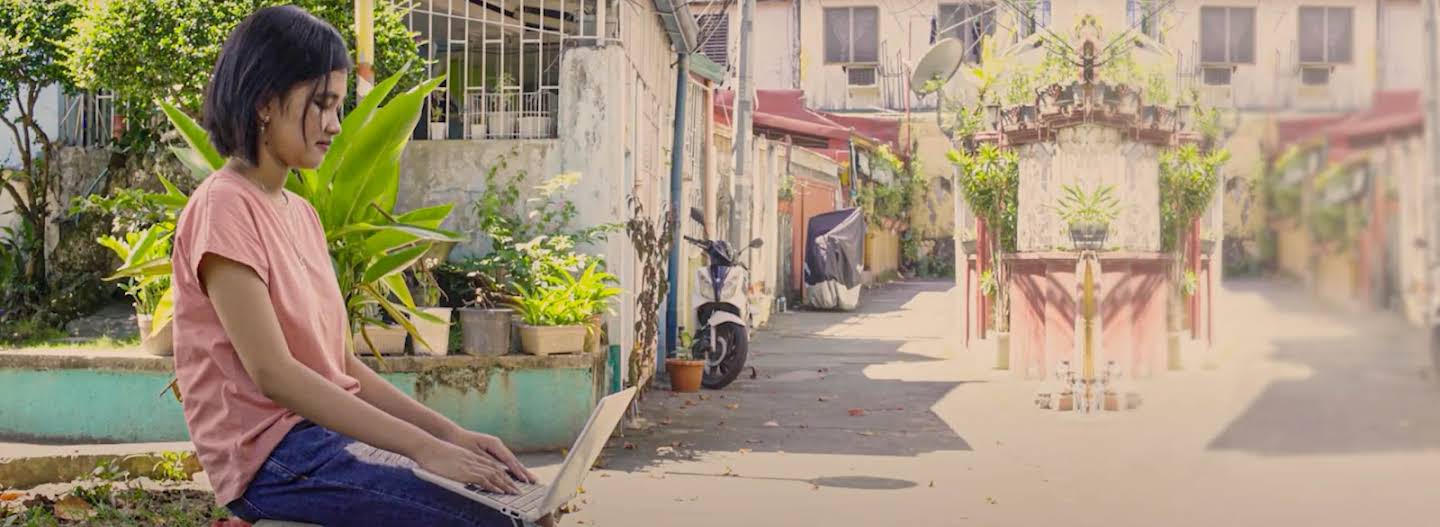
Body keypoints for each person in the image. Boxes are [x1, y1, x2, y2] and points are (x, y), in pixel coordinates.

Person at [172, 6, 551, 526]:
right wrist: (423, 449)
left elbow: (341, 366)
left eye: (338, 106)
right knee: (494, 518)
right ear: (264, 102)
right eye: (322, 105)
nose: (334, 125)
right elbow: (275, 374)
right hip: (275, 461)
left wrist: (450, 436)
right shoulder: (223, 207)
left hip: (327, 440)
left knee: (519, 502)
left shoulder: (299, 212)